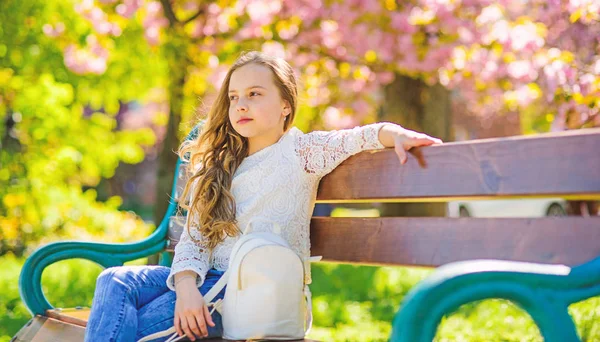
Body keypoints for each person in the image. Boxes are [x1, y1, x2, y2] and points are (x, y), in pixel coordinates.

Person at [84, 50, 442, 342]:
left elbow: (356, 137)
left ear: (286, 105)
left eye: (254, 94)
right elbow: (195, 238)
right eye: (234, 97)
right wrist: (186, 286)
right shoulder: (222, 164)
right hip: (203, 281)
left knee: (126, 327)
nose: (240, 105)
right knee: (113, 281)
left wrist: (395, 134)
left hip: (247, 293)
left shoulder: (301, 152)